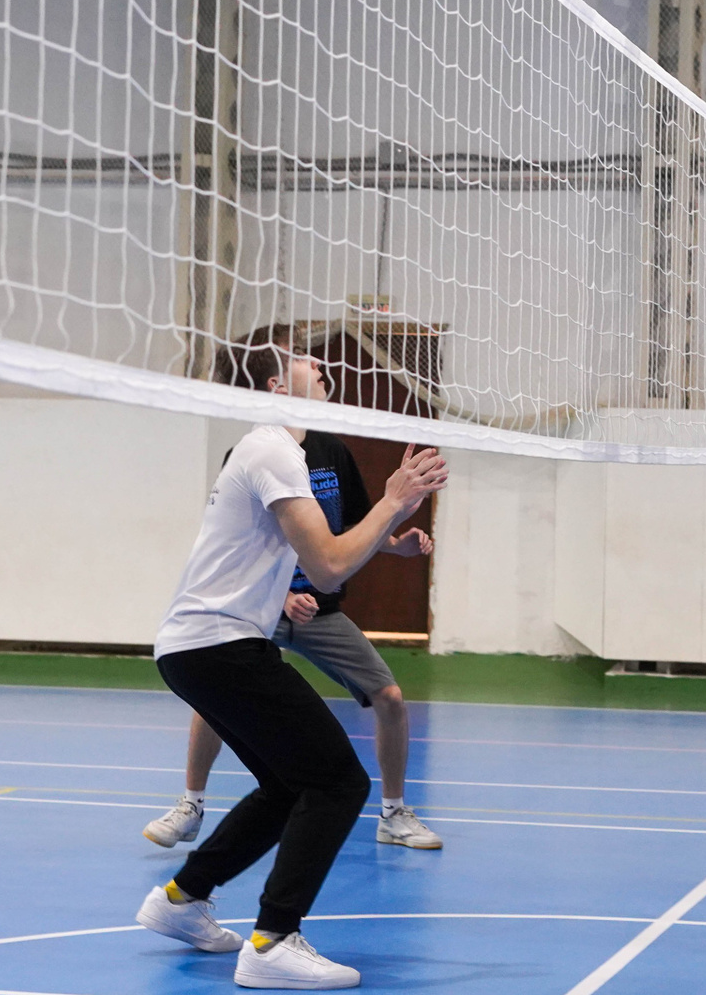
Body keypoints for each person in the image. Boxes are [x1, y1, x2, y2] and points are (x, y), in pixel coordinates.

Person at [135, 324, 447, 990]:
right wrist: (393, 500)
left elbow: (330, 555)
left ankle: (183, 899)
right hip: (218, 644)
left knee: (287, 786)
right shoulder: (272, 448)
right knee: (337, 782)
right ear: (277, 386)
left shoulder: (279, 454)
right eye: (303, 358)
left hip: (203, 645)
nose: (319, 363)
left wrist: (392, 518)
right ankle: (272, 942)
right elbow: (329, 566)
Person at [143, 427, 442, 854]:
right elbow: (238, 541)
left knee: (390, 696)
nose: (312, 375)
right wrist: (282, 596)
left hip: (319, 611)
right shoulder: (254, 452)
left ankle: (393, 814)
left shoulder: (331, 451)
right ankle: (191, 805)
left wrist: (397, 545)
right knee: (214, 698)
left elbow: (353, 528)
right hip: (261, 605)